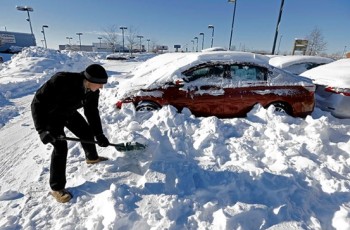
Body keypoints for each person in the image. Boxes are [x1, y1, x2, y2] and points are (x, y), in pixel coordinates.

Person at [31, 64, 110, 203]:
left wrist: (99, 135)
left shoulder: (92, 91)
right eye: (100, 84)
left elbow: (91, 112)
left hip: (68, 112)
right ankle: (57, 188)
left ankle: (92, 157)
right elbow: (37, 103)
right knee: (60, 147)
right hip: (50, 115)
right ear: (89, 80)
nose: (101, 88)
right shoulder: (61, 80)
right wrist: (41, 130)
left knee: (86, 131)